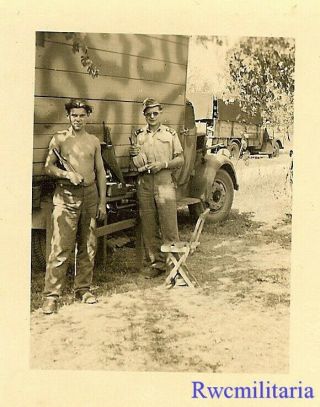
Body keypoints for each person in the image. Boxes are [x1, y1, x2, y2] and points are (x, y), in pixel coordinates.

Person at [42, 98, 106, 314]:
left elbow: (100, 173)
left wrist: (102, 202)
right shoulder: (59, 138)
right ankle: (51, 296)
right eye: (74, 115)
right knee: (61, 247)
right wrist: (67, 174)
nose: (78, 119)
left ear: (87, 116)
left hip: (90, 195)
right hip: (66, 196)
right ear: (68, 116)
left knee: (88, 245)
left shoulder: (94, 141)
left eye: (82, 115)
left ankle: (83, 289)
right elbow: (48, 167)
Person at [130, 98, 184, 278]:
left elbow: (180, 159)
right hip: (144, 183)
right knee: (149, 225)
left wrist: (164, 164)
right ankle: (156, 263)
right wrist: (135, 158)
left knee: (169, 225)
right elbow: (136, 161)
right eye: (148, 114)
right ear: (144, 115)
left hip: (164, 182)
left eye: (155, 113)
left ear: (160, 113)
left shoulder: (170, 134)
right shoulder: (139, 135)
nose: (152, 116)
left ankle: (173, 266)